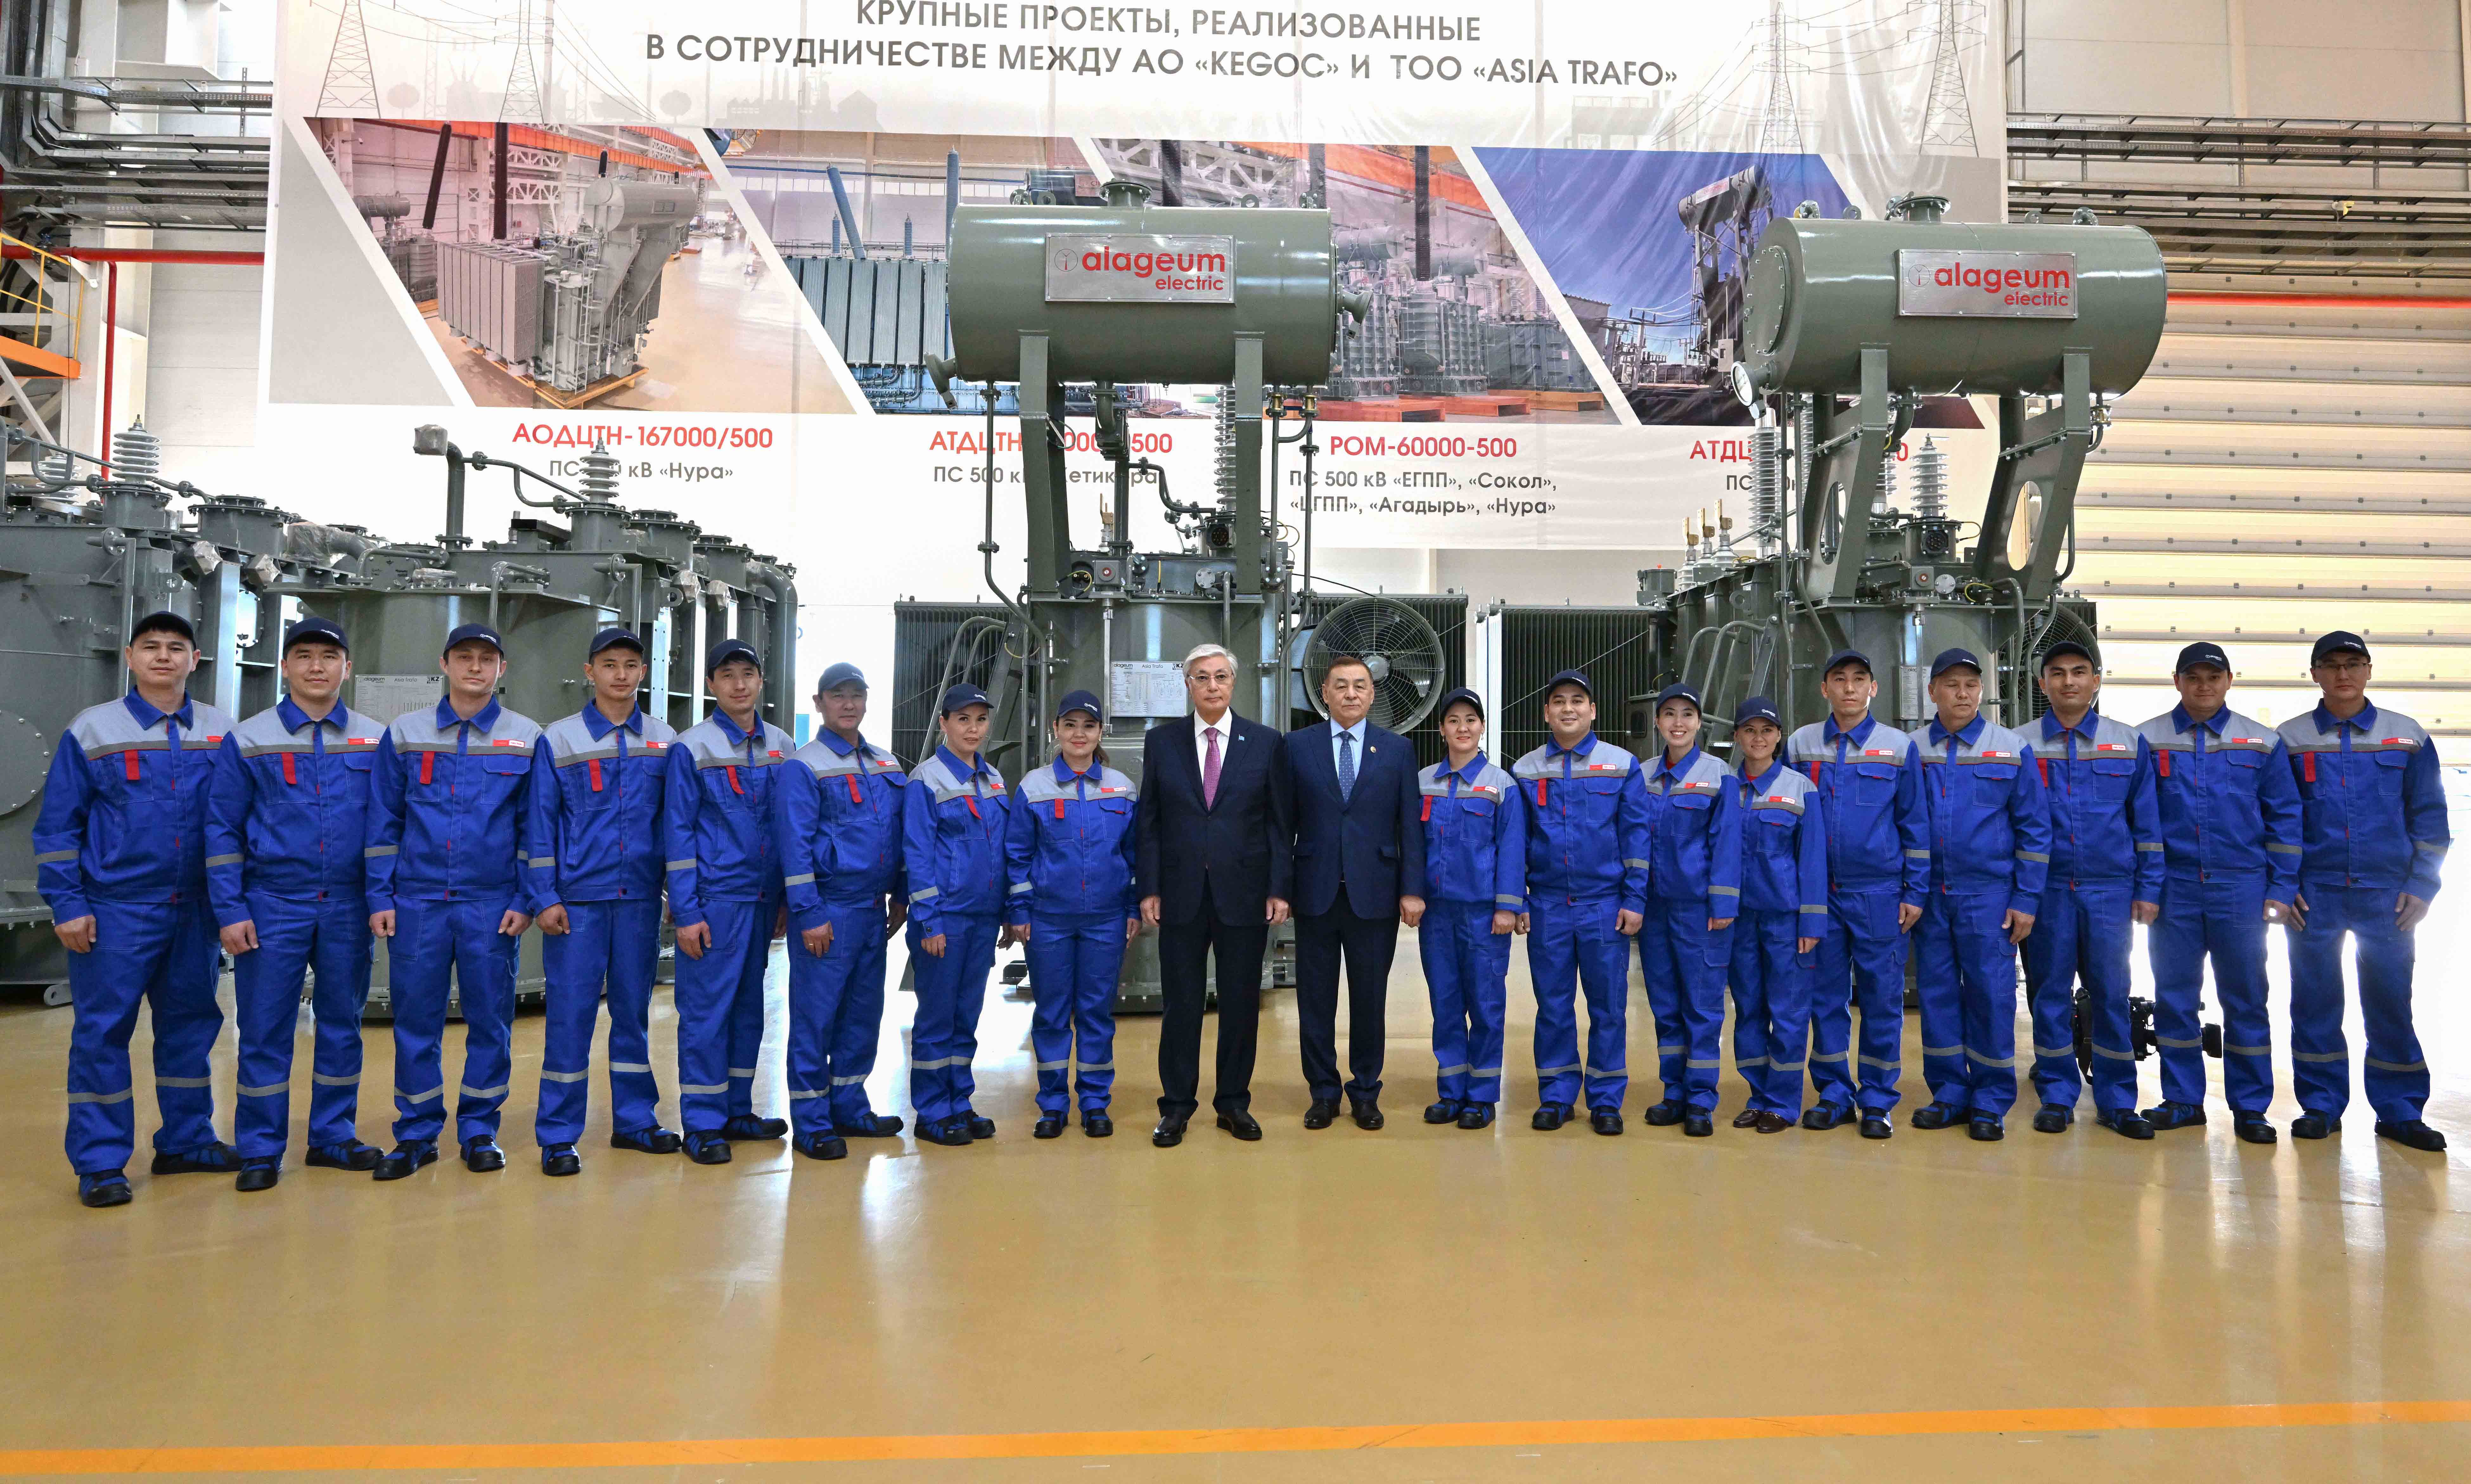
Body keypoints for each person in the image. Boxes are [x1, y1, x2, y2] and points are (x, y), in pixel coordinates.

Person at [39, 612, 241, 1207]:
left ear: (195, 660)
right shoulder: (93, 729)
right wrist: (68, 903)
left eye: (176, 647)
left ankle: (186, 1140)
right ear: (130, 657)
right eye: (150, 646)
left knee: (191, 1028)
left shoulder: (221, 731)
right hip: (116, 910)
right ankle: (102, 1162)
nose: (163, 656)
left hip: (196, 912)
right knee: (103, 1034)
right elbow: (58, 827)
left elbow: (237, 822)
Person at [205, 617, 386, 1192]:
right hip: (271, 903)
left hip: (349, 906)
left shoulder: (375, 739)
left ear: (347, 668)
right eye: (304, 655)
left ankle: (333, 1135)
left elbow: (388, 826)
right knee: (264, 1028)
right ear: (284, 667)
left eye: (329, 657)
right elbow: (222, 829)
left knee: (342, 1025)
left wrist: (381, 897)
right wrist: (231, 909)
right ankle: (260, 1147)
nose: (316, 666)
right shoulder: (250, 738)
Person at [365, 622, 548, 1181]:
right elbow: (384, 819)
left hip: (491, 905)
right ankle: (417, 1132)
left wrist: (526, 897)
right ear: (444, 665)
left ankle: (479, 1129)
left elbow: (534, 826)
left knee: (491, 1020)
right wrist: (380, 893)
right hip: (417, 901)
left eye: (486, 659)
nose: (475, 667)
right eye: (464, 657)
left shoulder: (526, 737)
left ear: (501, 670)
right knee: (415, 1021)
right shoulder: (405, 733)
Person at [2278, 632, 2451, 1152]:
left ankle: (2400, 1110)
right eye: (2331, 665)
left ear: (2369, 670)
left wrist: (2423, 884)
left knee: (2391, 1001)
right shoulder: (2290, 739)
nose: (2343, 674)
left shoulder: (2407, 737)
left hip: (2388, 895)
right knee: (2314, 1002)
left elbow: (2430, 816)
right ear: (2315, 674)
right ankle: (2321, 1104)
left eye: (2353, 664)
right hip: (2315, 894)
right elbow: (2277, 819)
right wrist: (2285, 885)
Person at [2136, 642, 2302, 1143]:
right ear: (2177, 682)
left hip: (2241, 887)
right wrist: (2147, 886)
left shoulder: (2262, 743)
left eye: (2213, 677)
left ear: (2230, 680)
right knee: (2175, 999)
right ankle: (2183, 1100)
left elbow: (2285, 816)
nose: (2204, 686)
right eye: (2194, 677)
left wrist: (2282, 885)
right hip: (2175, 888)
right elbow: (2139, 818)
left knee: (2246, 998)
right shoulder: (2148, 740)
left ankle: (2251, 1107)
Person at [529, 628, 681, 1176]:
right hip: (578, 903)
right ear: (590, 671)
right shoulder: (560, 739)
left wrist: (675, 891)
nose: (621, 674)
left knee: (633, 1015)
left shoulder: (665, 740)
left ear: (644, 672)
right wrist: (544, 896)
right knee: (569, 1018)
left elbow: (675, 823)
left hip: (639, 900)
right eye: (610, 664)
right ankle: (558, 1134)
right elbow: (540, 823)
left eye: (631, 665)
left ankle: (635, 1121)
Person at [1136, 643, 1294, 1148]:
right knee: (1181, 1005)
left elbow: (1278, 823)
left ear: (1233, 683)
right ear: (1188, 685)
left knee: (1241, 1003)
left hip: (1244, 894)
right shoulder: (1162, 742)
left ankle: (1233, 1103)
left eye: (1221, 676)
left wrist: (1278, 887)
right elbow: (1150, 822)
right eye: (1201, 677)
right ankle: (1176, 1107)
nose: (1212, 685)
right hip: (1180, 894)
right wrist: (1149, 887)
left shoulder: (1266, 743)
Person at [1907, 649, 2050, 1142]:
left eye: (1971, 684)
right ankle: (1949, 1093)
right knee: (1937, 994)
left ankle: (1990, 1098)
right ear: (1932, 692)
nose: (1962, 693)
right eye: (1951, 684)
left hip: (1989, 895)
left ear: (1983, 690)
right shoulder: (1912, 750)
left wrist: (2026, 898)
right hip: (1930, 894)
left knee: (1991, 995)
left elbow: (2035, 828)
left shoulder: (2010, 749)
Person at [2023, 640, 2161, 1140]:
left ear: (2096, 681)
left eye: (2079, 672)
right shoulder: (2020, 745)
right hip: (2047, 889)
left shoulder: (2128, 743)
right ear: (2042, 684)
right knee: (2049, 995)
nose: (2069, 681)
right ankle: (2057, 1095)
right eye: (2058, 673)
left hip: (2110, 889)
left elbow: (2147, 823)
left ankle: (2117, 1099)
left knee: (2111, 994)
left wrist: (2149, 887)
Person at [1788, 650, 1928, 1141]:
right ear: (1824, 688)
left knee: (1882, 1000)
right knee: (1824, 998)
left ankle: (1877, 1099)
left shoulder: (1898, 747)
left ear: (1874, 688)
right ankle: (1833, 1094)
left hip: (1880, 894)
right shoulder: (1800, 744)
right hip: (1819, 895)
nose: (1849, 688)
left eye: (1859, 679)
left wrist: (1915, 890)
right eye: (1839, 679)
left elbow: (1915, 823)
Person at [666, 639, 797, 1164]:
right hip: (716, 900)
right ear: (711, 685)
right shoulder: (691, 747)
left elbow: (791, 828)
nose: (739, 684)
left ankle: (738, 1110)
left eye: (748, 673)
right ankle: (702, 1122)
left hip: (763, 900)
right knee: (706, 1013)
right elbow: (678, 832)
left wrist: (785, 897)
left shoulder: (783, 746)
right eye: (727, 675)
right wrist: (687, 910)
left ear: (761, 681)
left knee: (748, 1010)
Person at [1282, 655, 1425, 1131]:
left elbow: (1410, 826)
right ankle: (1323, 1093)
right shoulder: (1297, 747)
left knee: (1369, 1000)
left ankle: (1366, 1092)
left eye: (1360, 685)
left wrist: (1412, 889)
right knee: (1315, 1001)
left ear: (1372, 693)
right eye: (1340, 685)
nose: (1350, 693)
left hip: (1375, 895)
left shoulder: (1398, 750)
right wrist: (1280, 889)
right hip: (1315, 893)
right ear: (1324, 693)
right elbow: (1282, 824)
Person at [774, 661, 910, 1162]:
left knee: (862, 1015)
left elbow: (900, 835)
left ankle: (849, 1106)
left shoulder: (886, 764)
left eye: (856, 694)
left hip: (873, 912)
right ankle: (812, 1121)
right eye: (838, 695)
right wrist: (809, 913)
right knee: (816, 1018)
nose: (849, 704)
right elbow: (794, 846)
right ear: (819, 703)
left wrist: (901, 894)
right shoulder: (804, 766)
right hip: (829, 910)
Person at [1510, 669, 1648, 1136]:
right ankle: (1557, 1095)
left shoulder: (1621, 765)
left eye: (1577, 701)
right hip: (1548, 906)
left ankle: (1606, 1100)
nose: (1568, 708)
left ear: (1592, 711)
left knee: (1608, 1008)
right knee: (1553, 1006)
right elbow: (1517, 841)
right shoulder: (1526, 770)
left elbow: (1636, 836)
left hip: (1604, 905)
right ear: (1546, 713)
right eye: (1559, 701)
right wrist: (1519, 899)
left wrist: (1634, 898)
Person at [1003, 690, 1140, 1139]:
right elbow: (1017, 854)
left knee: (1097, 1013)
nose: (1079, 734)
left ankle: (1096, 1103)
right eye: (1070, 725)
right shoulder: (1034, 787)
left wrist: (1132, 908)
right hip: (1048, 920)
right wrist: (1020, 910)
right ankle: (1053, 1105)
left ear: (1101, 732)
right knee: (1052, 1013)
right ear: (1056, 730)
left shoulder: (1122, 787)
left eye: (1089, 726)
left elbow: (1135, 855)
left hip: (1106, 919)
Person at [902, 683, 1014, 1147]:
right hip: (944, 919)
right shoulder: (925, 780)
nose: (973, 729)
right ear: (944, 723)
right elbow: (917, 854)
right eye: (963, 719)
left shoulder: (995, 779)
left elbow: (1004, 851)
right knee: (937, 1017)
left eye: (981, 720)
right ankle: (932, 1111)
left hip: (983, 919)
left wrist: (1007, 912)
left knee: (966, 1016)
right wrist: (929, 920)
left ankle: (959, 1101)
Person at [1414, 688, 1525, 1130]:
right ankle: (1451, 1091)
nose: (1463, 728)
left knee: (1485, 1004)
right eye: (1454, 720)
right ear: (1441, 729)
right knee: (1444, 1003)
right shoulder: (1423, 782)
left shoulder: (1502, 786)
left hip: (1483, 915)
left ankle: (1481, 1096)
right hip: (1437, 914)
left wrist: (1508, 907)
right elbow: (1411, 845)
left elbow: (1513, 849)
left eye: (1471, 720)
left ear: (1482, 728)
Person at [1636, 684, 1741, 1138]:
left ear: (1699, 723)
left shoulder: (1719, 775)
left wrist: (1723, 903)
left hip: (1700, 911)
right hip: (1655, 909)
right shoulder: (1642, 776)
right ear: (1658, 722)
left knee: (1702, 1005)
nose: (1678, 723)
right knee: (1665, 1004)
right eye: (1669, 714)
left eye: (1687, 715)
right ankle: (1674, 1092)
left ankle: (1701, 1098)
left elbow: (1728, 842)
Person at [1727, 696, 1826, 1133]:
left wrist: (1812, 921)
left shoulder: (1800, 788)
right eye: (1750, 730)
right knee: (1748, 1007)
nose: (1759, 738)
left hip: (1785, 919)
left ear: (1779, 736)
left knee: (1788, 1010)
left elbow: (1813, 859)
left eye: (1767, 731)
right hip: (1739, 920)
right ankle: (1757, 1094)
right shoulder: (1726, 788)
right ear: (1737, 736)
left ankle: (1783, 1103)